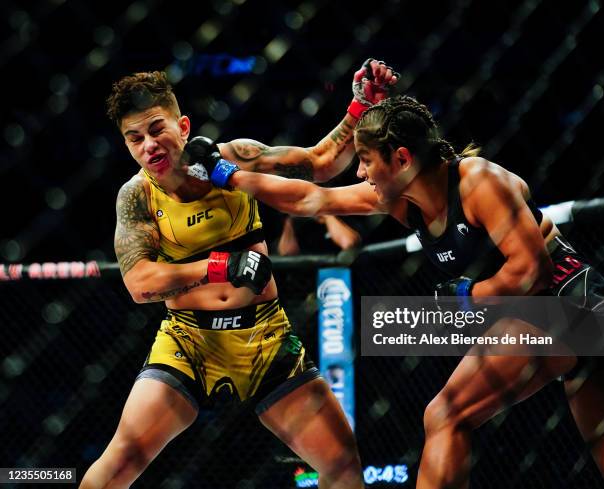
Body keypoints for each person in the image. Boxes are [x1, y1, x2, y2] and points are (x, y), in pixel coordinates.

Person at [193, 95, 604, 488]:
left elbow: (532, 271)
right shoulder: (401, 199)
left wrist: (468, 297)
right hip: (552, 317)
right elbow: (310, 198)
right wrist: (226, 174)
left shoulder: (479, 182)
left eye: (365, 160)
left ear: (402, 158)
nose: (359, 172)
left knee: (446, 414)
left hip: (574, 301)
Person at [79, 60, 398, 489]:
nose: (148, 146)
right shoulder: (136, 196)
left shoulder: (232, 158)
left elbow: (318, 164)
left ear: (183, 125)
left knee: (343, 467)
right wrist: (220, 267)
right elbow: (140, 284)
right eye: (134, 139)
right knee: (119, 461)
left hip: (264, 337)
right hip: (189, 341)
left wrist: (358, 108)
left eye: (156, 129)